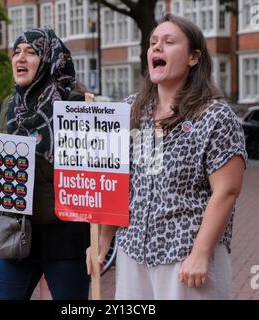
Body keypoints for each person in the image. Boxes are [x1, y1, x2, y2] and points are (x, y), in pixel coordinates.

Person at [87, 13, 247, 300]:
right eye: (153, 42)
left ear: (193, 57)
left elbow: (227, 190)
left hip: (186, 256)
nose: (156, 48)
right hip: (133, 250)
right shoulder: (130, 110)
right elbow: (115, 178)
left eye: (169, 42)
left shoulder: (214, 116)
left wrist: (201, 252)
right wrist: (103, 238)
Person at [0, 28, 90, 300]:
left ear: (50, 58)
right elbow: (2, 172)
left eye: (31, 52)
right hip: (17, 234)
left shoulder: (77, 104)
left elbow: (95, 169)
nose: (20, 58)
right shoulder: (8, 107)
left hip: (66, 238)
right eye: (17, 52)